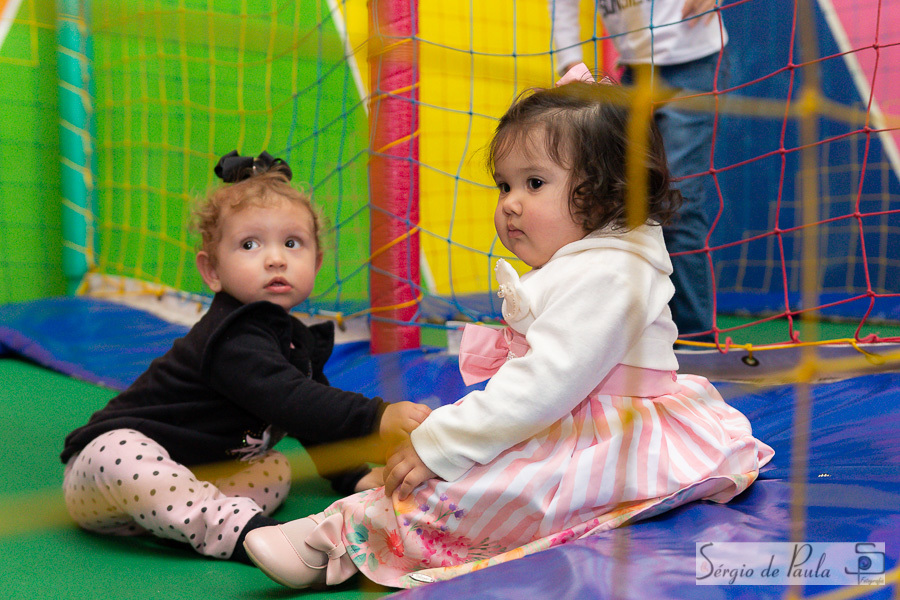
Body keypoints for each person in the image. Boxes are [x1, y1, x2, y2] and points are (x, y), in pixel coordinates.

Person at [241, 72, 774, 590]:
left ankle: (337, 540)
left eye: (534, 183)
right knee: (471, 462)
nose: (510, 203)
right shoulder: (591, 261)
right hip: (571, 418)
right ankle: (348, 524)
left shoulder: (613, 275)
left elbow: (544, 384)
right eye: (505, 185)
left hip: (607, 436)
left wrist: (442, 442)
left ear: (607, 194)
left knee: (489, 489)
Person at [60, 151, 431, 564]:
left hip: (191, 481)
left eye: (292, 243)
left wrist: (353, 474)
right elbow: (292, 399)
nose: (276, 258)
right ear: (212, 271)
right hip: (103, 478)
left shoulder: (291, 340)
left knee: (277, 469)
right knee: (117, 451)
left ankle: (184, 522)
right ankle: (247, 534)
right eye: (250, 245)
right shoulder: (231, 336)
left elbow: (309, 419)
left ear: (316, 262)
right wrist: (375, 418)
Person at [549, 0, 729, 342]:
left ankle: (696, 338)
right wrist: (572, 62)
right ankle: (640, 326)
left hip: (691, 61)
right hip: (635, 70)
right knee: (625, 197)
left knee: (678, 200)